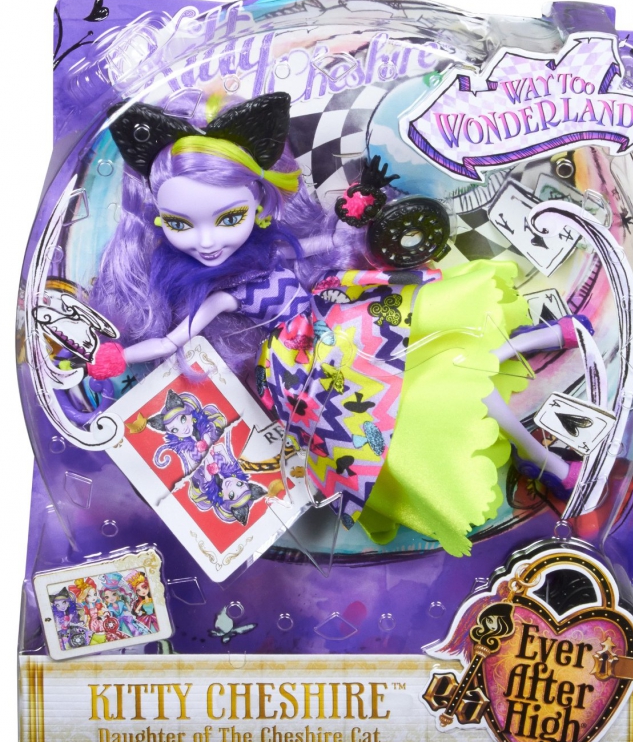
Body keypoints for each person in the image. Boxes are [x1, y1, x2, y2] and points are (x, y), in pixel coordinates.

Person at [88, 93, 585, 556]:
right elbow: (172, 341)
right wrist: (114, 356)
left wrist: (360, 204)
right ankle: (541, 432)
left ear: (259, 203)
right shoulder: (222, 295)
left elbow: (331, 243)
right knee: (438, 380)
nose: (206, 241)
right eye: (179, 224)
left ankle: (538, 397)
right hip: (305, 365)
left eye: (228, 217)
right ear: (158, 220)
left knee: (442, 355)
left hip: (339, 317)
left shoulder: (278, 250)